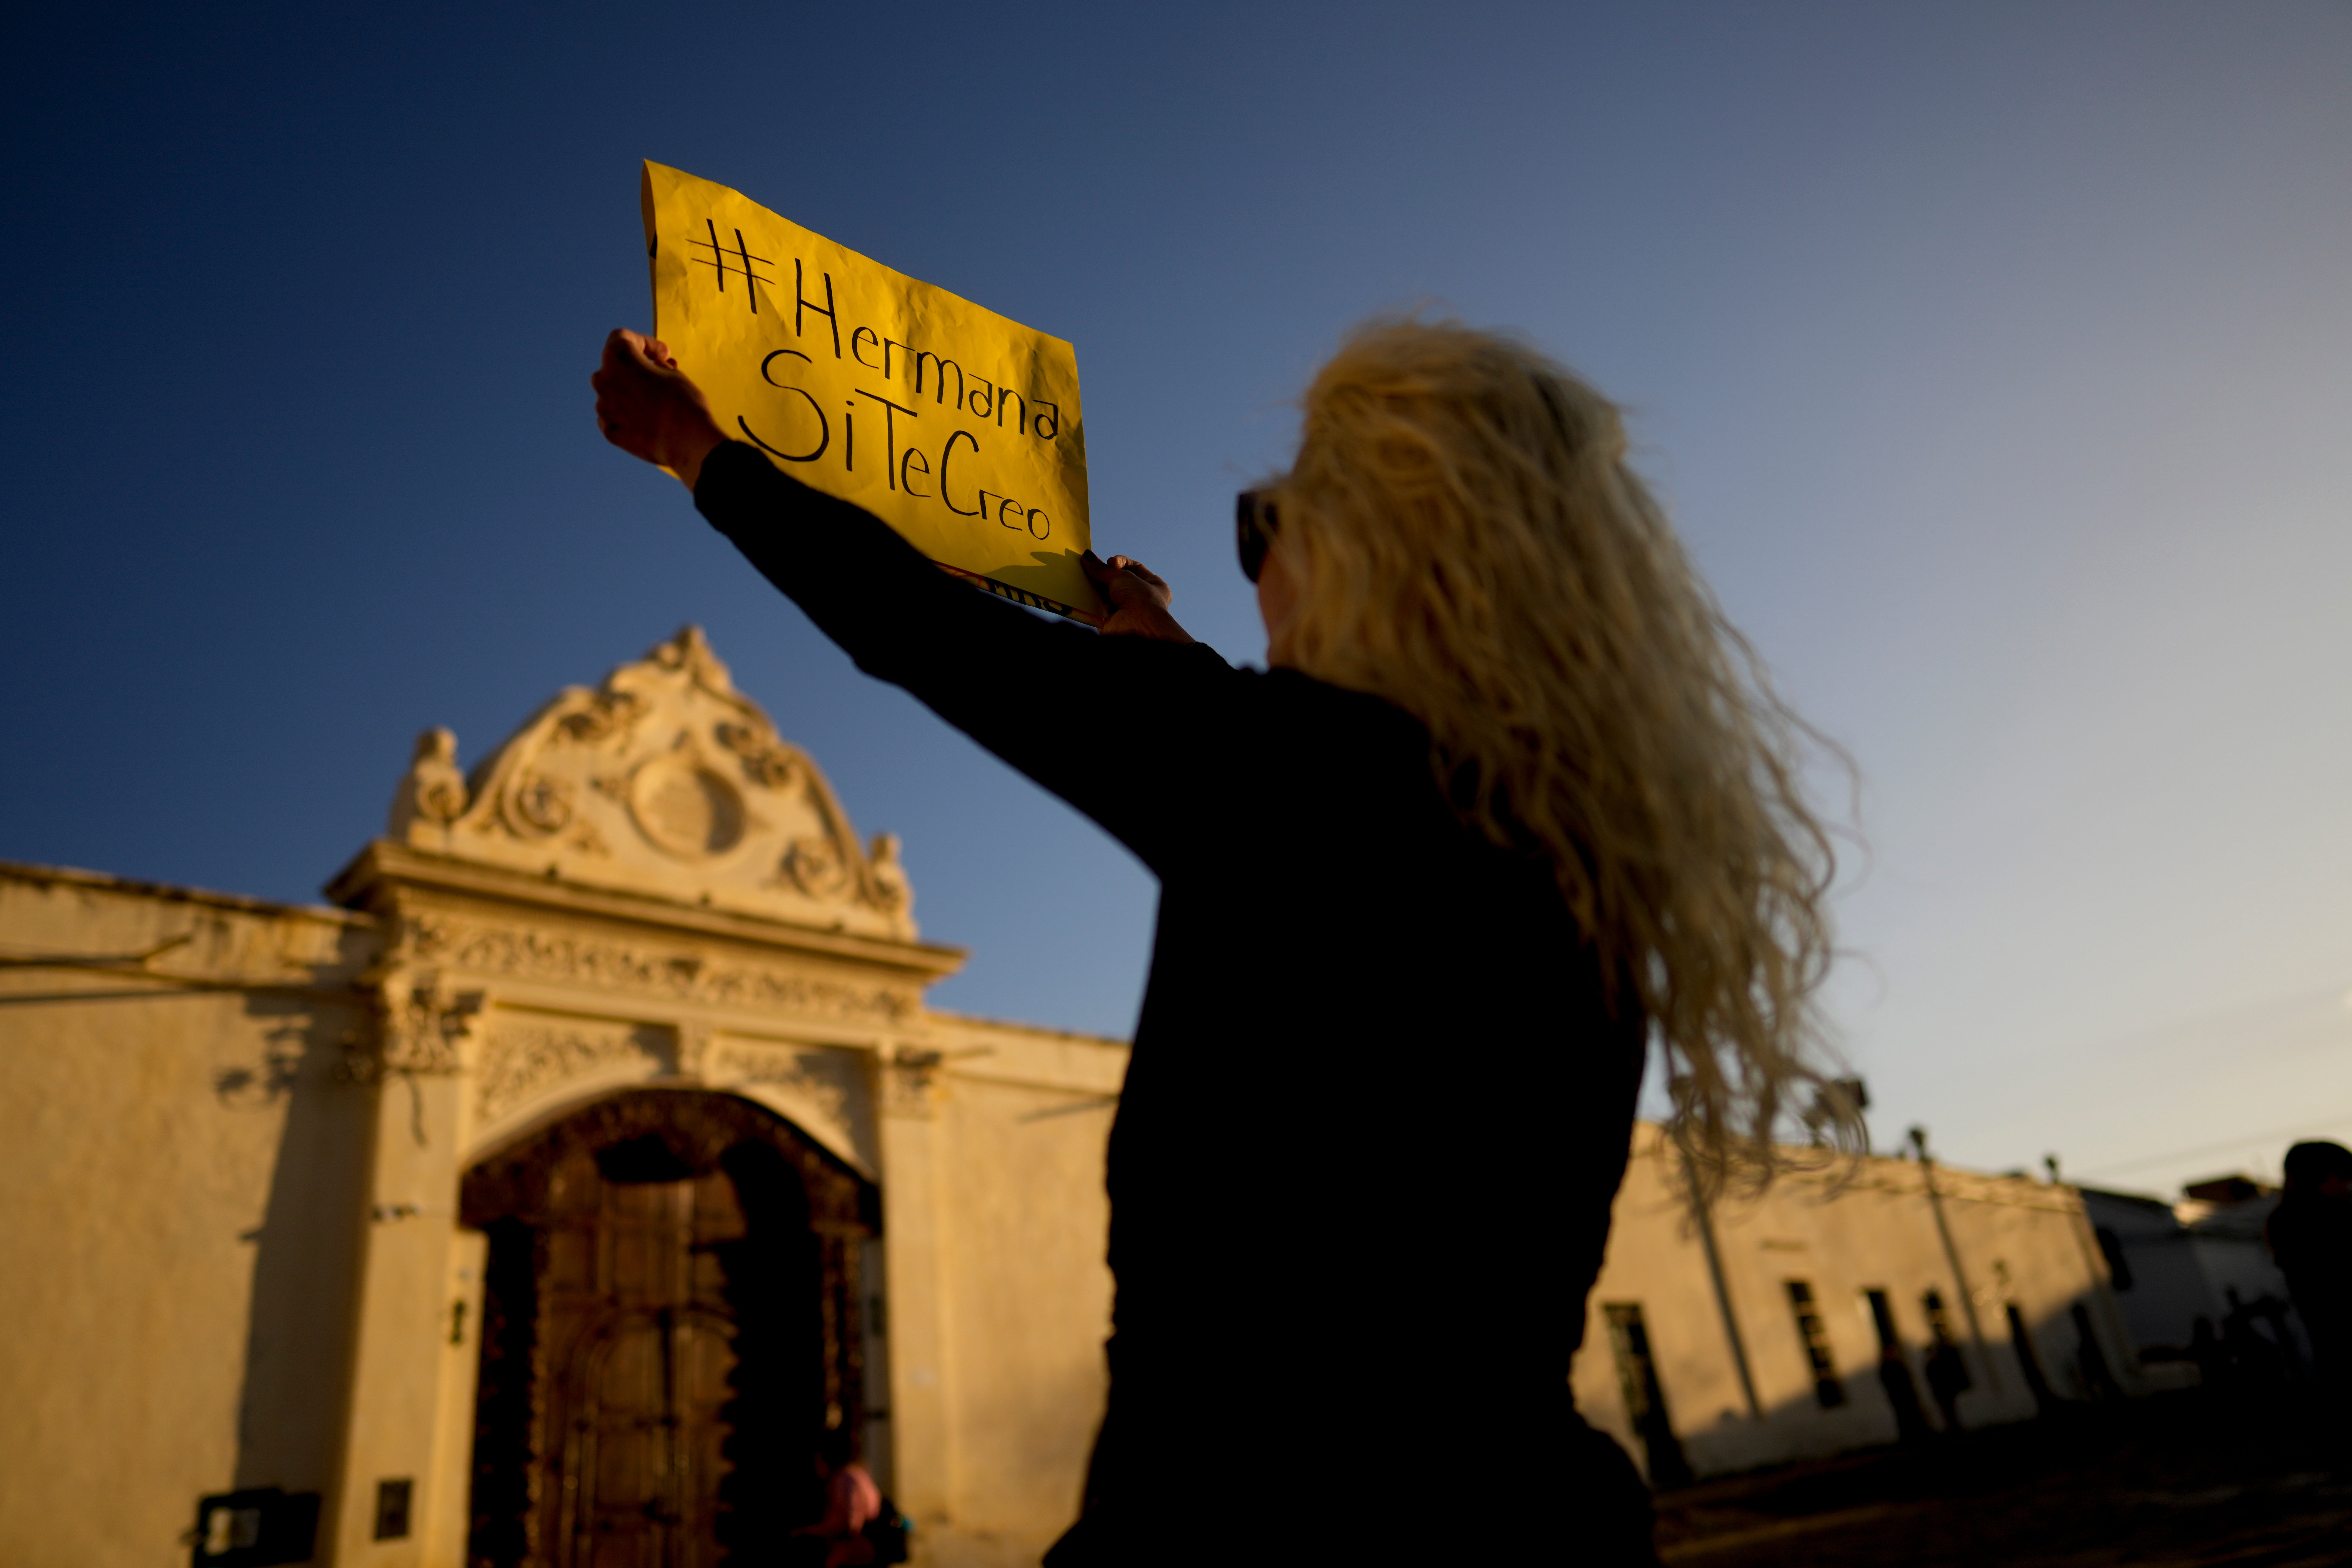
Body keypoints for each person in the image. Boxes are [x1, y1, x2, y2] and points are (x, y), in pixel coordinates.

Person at [592, 318, 1846, 1566]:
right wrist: (1148, 636)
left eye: (1266, 525)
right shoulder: (1579, 866)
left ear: (1371, 550)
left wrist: (700, 449)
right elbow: (1261, 752)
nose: (1257, 571)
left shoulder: (1292, 789)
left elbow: (921, 627)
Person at [2266, 1140, 2352, 1391]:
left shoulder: (2283, 1219)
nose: (2346, 1184)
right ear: (2316, 1176)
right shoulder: (2323, 1215)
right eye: (2342, 1176)